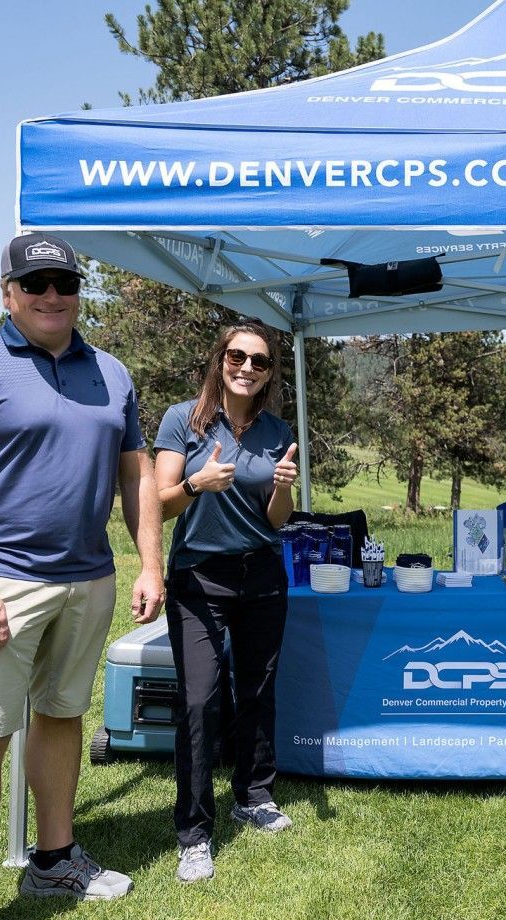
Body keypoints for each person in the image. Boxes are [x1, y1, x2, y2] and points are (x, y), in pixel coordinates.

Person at [0, 232, 164, 920]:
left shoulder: (110, 372)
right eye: (36, 283)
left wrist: (150, 564)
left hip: (89, 579)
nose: (53, 295)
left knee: (61, 717)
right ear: (8, 292)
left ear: (80, 289)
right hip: (4, 587)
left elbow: (137, 475)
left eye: (65, 282)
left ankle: (53, 862)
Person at [153, 322, 299, 883]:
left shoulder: (275, 429)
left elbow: (276, 521)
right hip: (199, 577)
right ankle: (194, 832)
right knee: (199, 700)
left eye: (258, 362)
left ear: (267, 375)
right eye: (237, 356)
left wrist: (283, 487)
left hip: (262, 572)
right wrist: (197, 484)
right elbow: (158, 505)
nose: (246, 367)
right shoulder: (183, 419)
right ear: (220, 360)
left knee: (258, 690)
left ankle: (253, 795)